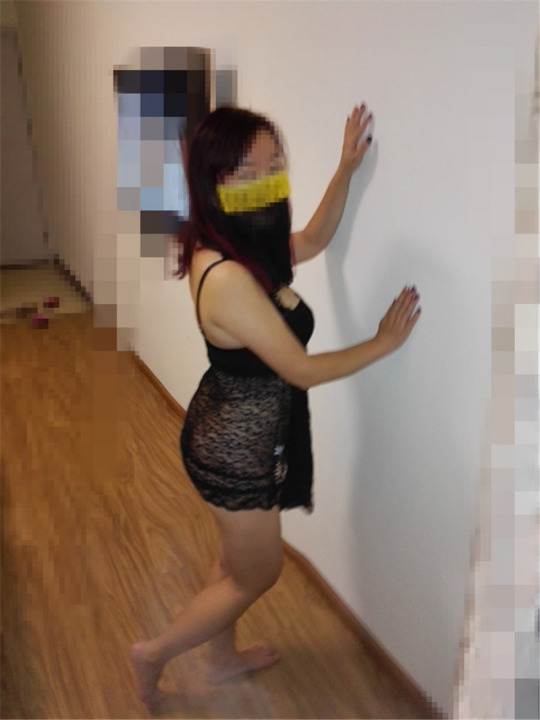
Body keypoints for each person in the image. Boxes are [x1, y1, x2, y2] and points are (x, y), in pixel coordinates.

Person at [130, 103, 421, 709]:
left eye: (274, 163)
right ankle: (153, 653)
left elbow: (312, 239)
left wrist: (345, 169)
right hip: (234, 449)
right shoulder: (227, 276)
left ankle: (220, 659)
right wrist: (383, 343)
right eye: (248, 170)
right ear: (215, 180)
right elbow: (302, 370)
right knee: (258, 573)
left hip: (234, 429)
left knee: (234, 564)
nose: (267, 178)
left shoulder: (240, 242)